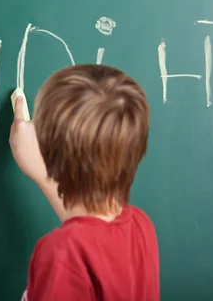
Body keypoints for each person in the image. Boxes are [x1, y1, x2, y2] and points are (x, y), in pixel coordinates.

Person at [10, 64, 160, 301]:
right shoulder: (141, 228)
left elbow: (77, 249)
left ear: (47, 151)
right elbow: (88, 236)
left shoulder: (60, 253)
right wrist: (42, 174)